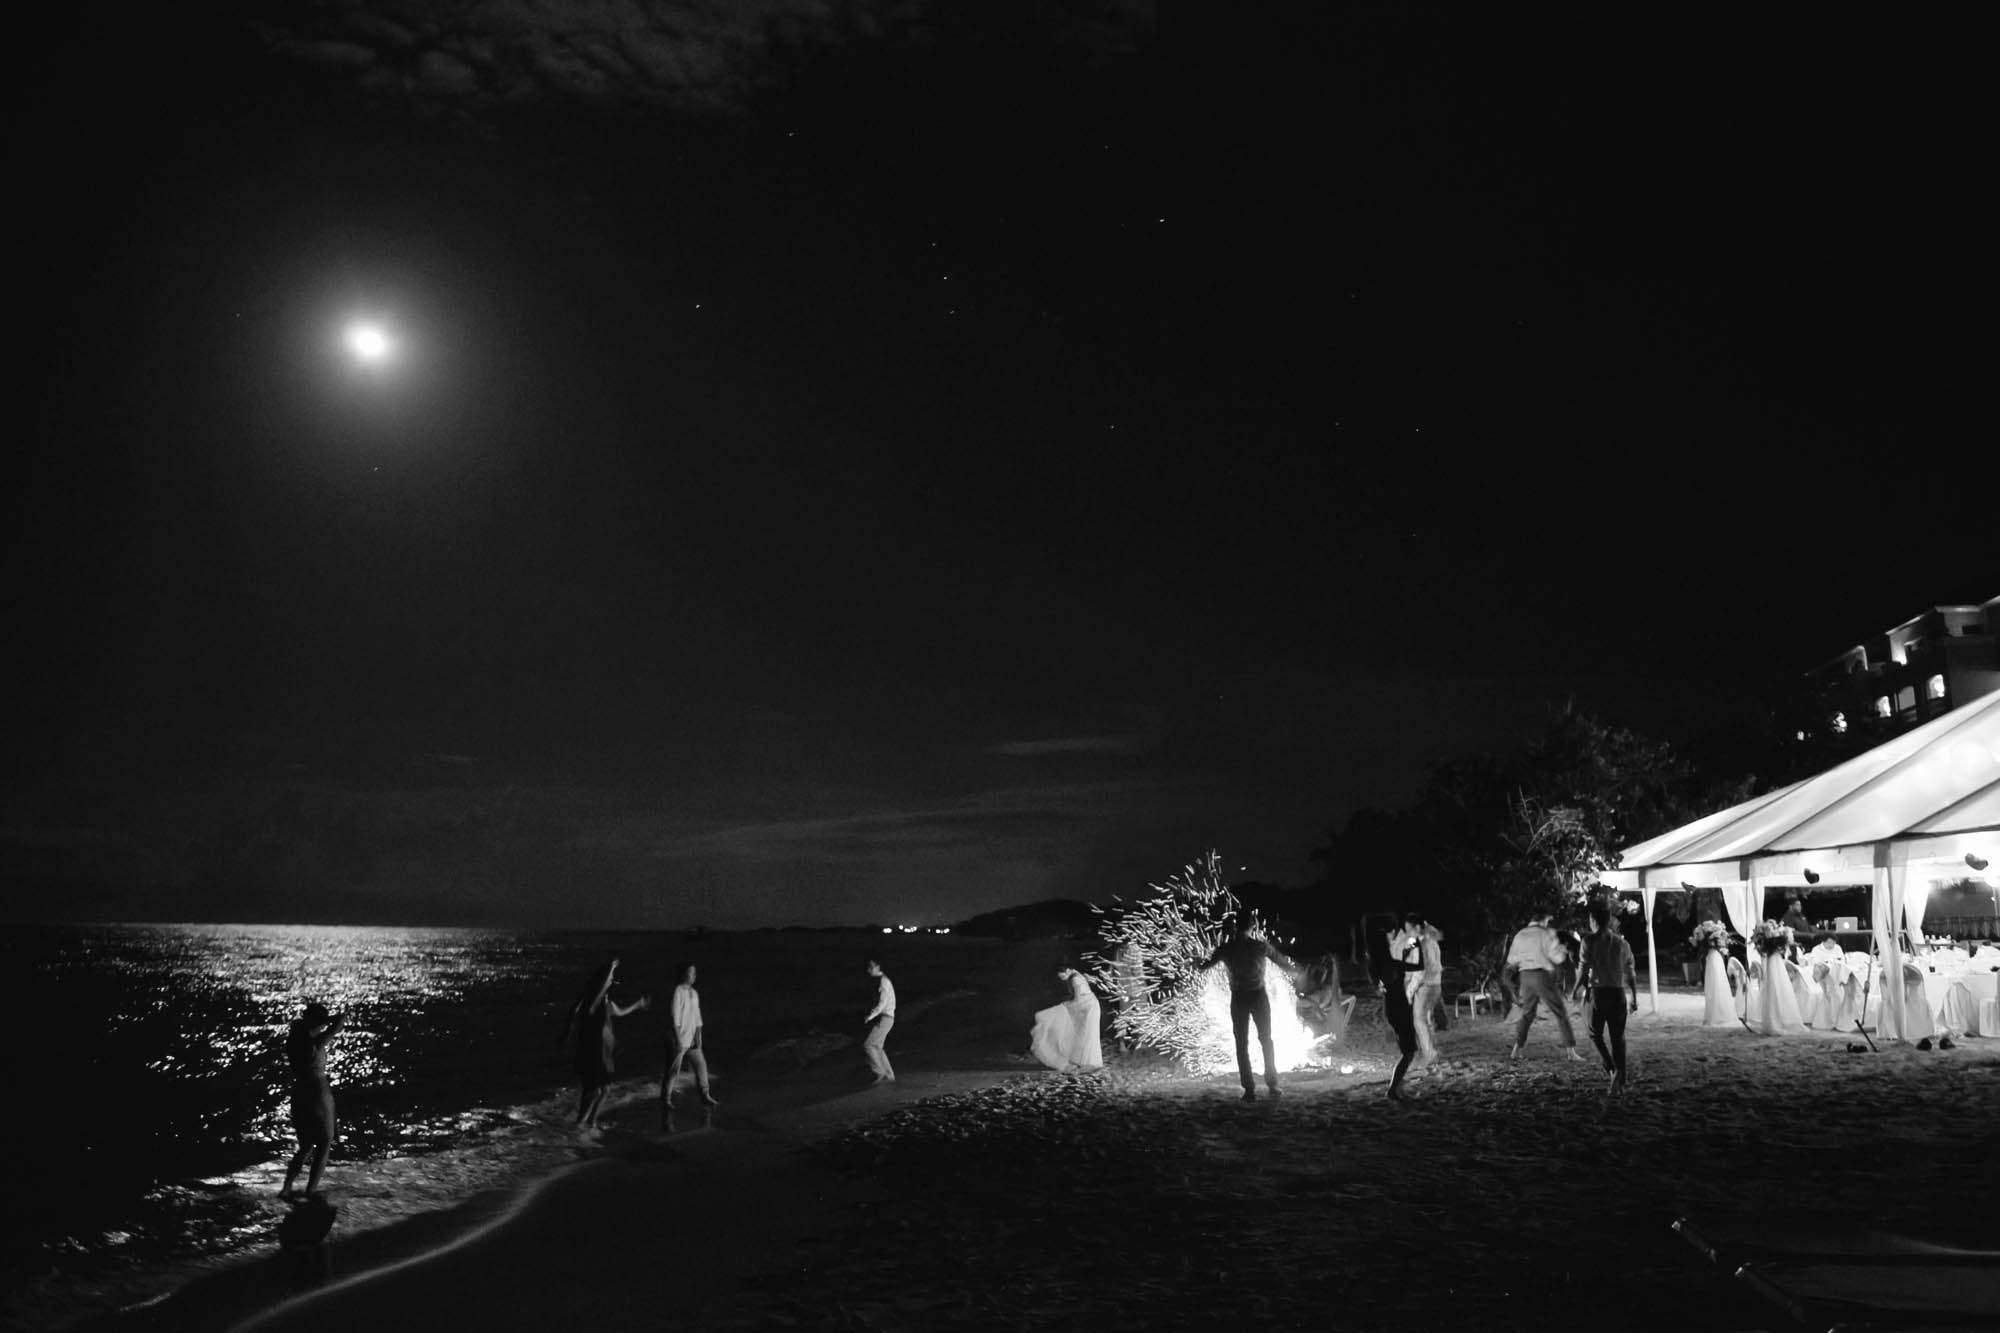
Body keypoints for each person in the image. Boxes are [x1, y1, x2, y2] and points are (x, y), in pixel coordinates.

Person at [1198, 915, 1295, 1100]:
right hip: (1258, 996)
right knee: (1266, 1039)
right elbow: (1281, 961)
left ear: (1236, 928)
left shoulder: (1226, 948)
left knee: (1241, 1044)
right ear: (1253, 926)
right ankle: (1273, 1085)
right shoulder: (1259, 946)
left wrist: (1197, 962)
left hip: (1239, 998)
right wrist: (1297, 972)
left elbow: (1205, 966)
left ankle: (1249, 1090)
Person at [564, 958, 649, 1128]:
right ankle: (581, 1122)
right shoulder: (592, 1004)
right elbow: (599, 992)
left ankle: (591, 1120)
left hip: (605, 1054)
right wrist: (610, 969)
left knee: (605, 1089)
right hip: (593, 1053)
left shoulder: (607, 1003)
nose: (612, 981)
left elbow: (620, 1011)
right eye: (609, 979)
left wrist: (638, 1005)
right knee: (593, 1090)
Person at [280, 1002, 345, 1199]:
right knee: (325, 1141)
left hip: (299, 1091)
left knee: (306, 1145)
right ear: (317, 1021)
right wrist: (326, 1020)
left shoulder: (294, 1041)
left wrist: (315, 1021)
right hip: (317, 1091)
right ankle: (311, 1189)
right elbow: (341, 1020)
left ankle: (287, 1187)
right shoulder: (315, 1042)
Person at [1506, 911, 1585, 1061]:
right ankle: (1571, 1052)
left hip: (1525, 976)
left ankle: (1516, 1050)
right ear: (1544, 919)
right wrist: (1563, 950)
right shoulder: (1547, 933)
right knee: (1560, 1013)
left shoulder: (1520, 935)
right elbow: (1556, 958)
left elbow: (1512, 959)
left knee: (1527, 1014)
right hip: (1541, 975)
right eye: (1548, 920)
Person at [1578, 900, 1639, 1093]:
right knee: (1617, 1038)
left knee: (1595, 1033)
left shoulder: (1589, 941)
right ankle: (1621, 1080)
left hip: (1599, 993)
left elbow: (1583, 968)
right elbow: (1631, 973)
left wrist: (1575, 989)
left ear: (1594, 920)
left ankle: (1612, 1068)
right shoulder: (1622, 943)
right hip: (1618, 993)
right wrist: (1634, 997)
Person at [661, 963, 719, 1115]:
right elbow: (675, 1017)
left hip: (692, 1040)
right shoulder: (678, 991)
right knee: (673, 1071)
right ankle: (666, 1099)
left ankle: (705, 1095)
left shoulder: (694, 993)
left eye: (694, 973)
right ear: (684, 974)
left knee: (701, 1066)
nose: (694, 976)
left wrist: (699, 1037)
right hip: (679, 1039)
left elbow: (697, 1017)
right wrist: (679, 1040)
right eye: (691, 973)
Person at [1378, 924, 1428, 1100]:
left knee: (1409, 1050)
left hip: (1395, 1008)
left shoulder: (1385, 962)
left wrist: (1413, 945)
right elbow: (1416, 964)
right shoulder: (1390, 964)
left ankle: (1397, 1086)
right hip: (1398, 1009)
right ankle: (1393, 1089)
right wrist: (1415, 946)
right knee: (1409, 1051)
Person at [1029, 964, 1104, 1071]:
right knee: (1085, 1034)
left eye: (1063, 976)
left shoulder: (1075, 979)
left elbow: (1078, 1000)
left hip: (1089, 1008)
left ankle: (1089, 1062)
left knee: (1087, 1034)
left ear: (1067, 970)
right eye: (1061, 977)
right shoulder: (1076, 974)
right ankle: (1086, 1061)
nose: (1063, 979)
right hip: (1089, 1006)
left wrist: (1065, 1005)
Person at [1400, 910, 1445, 1064]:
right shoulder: (1431, 940)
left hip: (1425, 986)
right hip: (1436, 984)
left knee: (1419, 1020)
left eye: (1408, 929)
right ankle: (1431, 1050)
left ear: (1417, 928)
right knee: (1426, 1018)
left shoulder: (1421, 944)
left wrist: (1409, 991)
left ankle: (1430, 1053)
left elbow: (1419, 971)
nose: (1407, 933)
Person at [862, 958, 896, 1084]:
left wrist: (870, 1016)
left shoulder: (883, 982)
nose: (868, 970)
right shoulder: (884, 981)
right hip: (887, 1018)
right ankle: (889, 1075)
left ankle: (879, 1072)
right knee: (878, 1047)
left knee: (868, 1045)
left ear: (878, 967)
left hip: (885, 1018)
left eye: (871, 967)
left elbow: (882, 1004)